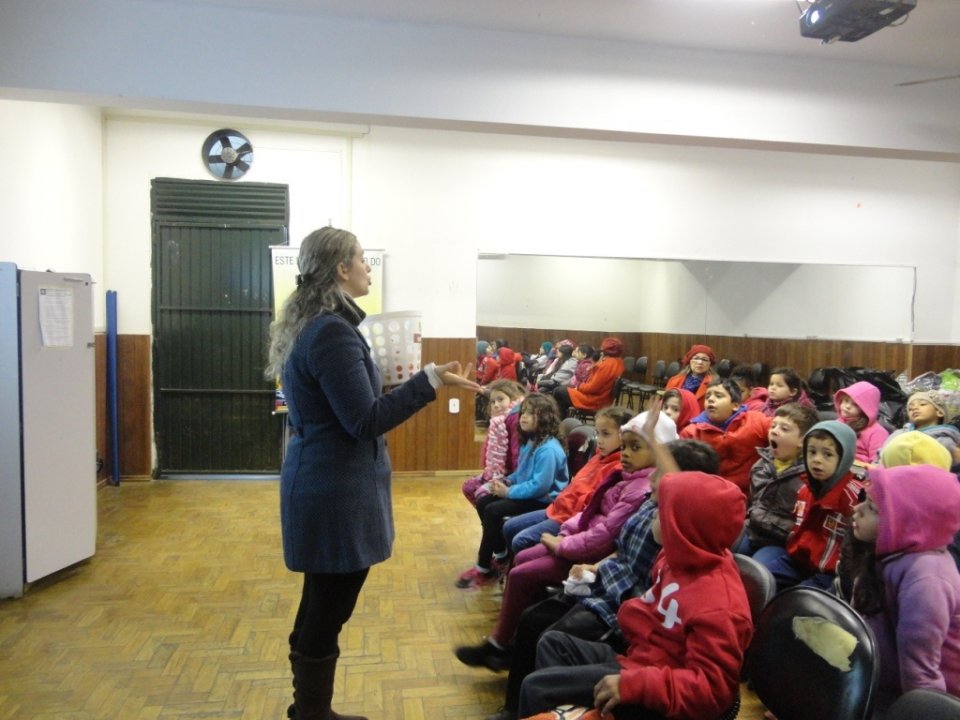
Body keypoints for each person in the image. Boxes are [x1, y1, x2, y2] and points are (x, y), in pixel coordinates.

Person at [263, 226, 480, 720]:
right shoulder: (332, 332)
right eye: (361, 259)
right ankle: (312, 713)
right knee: (329, 605)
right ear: (340, 268)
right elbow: (364, 421)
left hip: (327, 481)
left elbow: (352, 405)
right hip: (333, 488)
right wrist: (426, 382)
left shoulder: (320, 325)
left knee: (322, 601)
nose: (367, 267)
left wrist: (417, 379)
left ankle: (310, 710)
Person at [517, 470, 752, 720]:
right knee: (554, 644)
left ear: (684, 526)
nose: (652, 515)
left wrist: (637, 684)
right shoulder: (673, 557)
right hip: (640, 659)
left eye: (662, 512)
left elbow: (713, 693)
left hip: (654, 685)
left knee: (537, 687)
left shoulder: (720, 605)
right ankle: (572, 712)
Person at [455, 410, 678, 672]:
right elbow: (587, 510)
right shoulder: (622, 474)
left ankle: (503, 642)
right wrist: (566, 532)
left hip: (590, 558)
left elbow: (604, 537)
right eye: (625, 445)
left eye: (635, 447)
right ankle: (513, 634)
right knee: (523, 557)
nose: (626, 453)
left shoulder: (640, 488)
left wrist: (562, 544)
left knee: (522, 569)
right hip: (576, 537)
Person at [843, 465, 960, 713]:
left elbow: (921, 679)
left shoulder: (927, 580)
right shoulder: (884, 552)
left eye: (872, 508)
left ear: (908, 522)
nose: (857, 509)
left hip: (910, 699)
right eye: (865, 500)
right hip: (877, 681)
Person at [457, 393, 570, 589]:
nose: (523, 417)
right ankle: (501, 554)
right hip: (529, 493)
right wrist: (507, 481)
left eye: (531, 413)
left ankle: (483, 568)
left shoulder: (548, 449)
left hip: (544, 500)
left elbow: (539, 487)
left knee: (493, 510)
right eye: (523, 412)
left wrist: (508, 493)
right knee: (484, 501)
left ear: (544, 417)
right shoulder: (531, 441)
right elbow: (521, 474)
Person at [503, 406, 633, 557]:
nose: (600, 440)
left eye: (606, 434)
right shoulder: (598, 457)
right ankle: (508, 565)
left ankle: (517, 571)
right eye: (598, 433)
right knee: (509, 527)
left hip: (569, 518)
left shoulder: (617, 468)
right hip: (558, 508)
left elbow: (591, 504)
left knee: (520, 540)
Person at [753, 420, 864, 593]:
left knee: (793, 602)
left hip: (830, 573)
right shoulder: (805, 489)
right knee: (756, 582)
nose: (817, 460)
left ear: (844, 458)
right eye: (811, 452)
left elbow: (856, 553)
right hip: (798, 561)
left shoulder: (854, 499)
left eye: (827, 454)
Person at [736, 403, 820, 556]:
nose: (774, 431)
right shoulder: (761, 464)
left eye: (784, 429)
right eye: (773, 426)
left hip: (781, 541)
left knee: (758, 569)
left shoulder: (810, 476)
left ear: (803, 440)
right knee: (726, 551)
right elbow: (753, 503)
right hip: (752, 530)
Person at [678, 378, 771, 494]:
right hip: (708, 493)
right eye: (707, 397)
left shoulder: (757, 421)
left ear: (735, 405)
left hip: (752, 494)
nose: (711, 399)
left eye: (718, 396)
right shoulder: (691, 433)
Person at [462, 380, 526, 506]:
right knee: (469, 487)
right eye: (492, 402)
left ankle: (494, 523)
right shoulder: (498, 421)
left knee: (482, 494)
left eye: (500, 400)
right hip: (496, 472)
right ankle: (488, 520)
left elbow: (516, 454)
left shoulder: (514, 419)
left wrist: (509, 480)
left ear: (513, 398)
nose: (496, 405)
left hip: (512, 474)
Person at [880, 390, 960, 466]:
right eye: (910, 409)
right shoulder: (898, 434)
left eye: (922, 404)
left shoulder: (945, 440)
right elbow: (880, 456)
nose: (914, 408)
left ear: (939, 412)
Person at [553, 338, 625, 417]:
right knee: (562, 391)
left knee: (558, 391)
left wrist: (579, 386)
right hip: (604, 399)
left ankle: (560, 421)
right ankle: (564, 420)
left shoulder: (606, 365)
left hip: (595, 401)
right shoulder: (619, 362)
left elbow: (592, 388)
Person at [834, 380, 889, 465]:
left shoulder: (878, 432)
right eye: (845, 400)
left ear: (866, 408)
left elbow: (878, 464)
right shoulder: (836, 424)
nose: (847, 406)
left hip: (860, 474)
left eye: (855, 404)